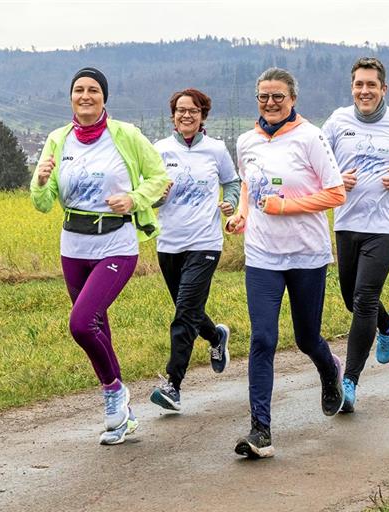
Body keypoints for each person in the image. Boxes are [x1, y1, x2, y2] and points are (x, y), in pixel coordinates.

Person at [30, 67, 169, 445]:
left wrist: (134, 199)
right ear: (71, 97)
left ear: (104, 97)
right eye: (79, 90)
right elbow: (42, 203)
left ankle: (113, 392)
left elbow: (160, 178)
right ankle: (122, 412)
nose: (85, 95)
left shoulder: (125, 135)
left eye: (93, 90)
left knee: (80, 323)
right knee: (96, 326)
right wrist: (40, 180)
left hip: (115, 242)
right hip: (73, 245)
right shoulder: (58, 140)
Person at [226, 67, 347, 458]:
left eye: (278, 96)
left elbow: (336, 192)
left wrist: (286, 206)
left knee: (306, 338)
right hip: (262, 254)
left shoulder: (310, 137)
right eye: (263, 96)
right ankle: (261, 430)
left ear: (293, 99)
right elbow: (249, 182)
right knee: (263, 339)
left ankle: (330, 371)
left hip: (306, 253)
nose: (270, 103)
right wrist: (243, 213)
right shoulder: (246, 141)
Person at [321, 57, 389, 413]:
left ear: (384, 89)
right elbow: (316, 164)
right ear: (351, 88)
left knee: (365, 297)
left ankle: (349, 383)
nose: (364, 91)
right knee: (351, 298)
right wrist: (337, 177)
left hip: (386, 225)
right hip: (347, 222)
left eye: (371, 85)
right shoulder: (337, 122)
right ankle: (388, 324)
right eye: (358, 85)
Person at [149, 88, 241, 412]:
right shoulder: (159, 150)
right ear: (172, 115)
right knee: (189, 310)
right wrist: (158, 195)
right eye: (180, 110)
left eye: (193, 110)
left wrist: (230, 202)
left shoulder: (216, 150)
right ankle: (216, 338)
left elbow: (232, 182)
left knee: (184, 313)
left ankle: (173, 385)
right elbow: (148, 193)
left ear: (203, 116)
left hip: (205, 243)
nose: (186, 115)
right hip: (169, 243)